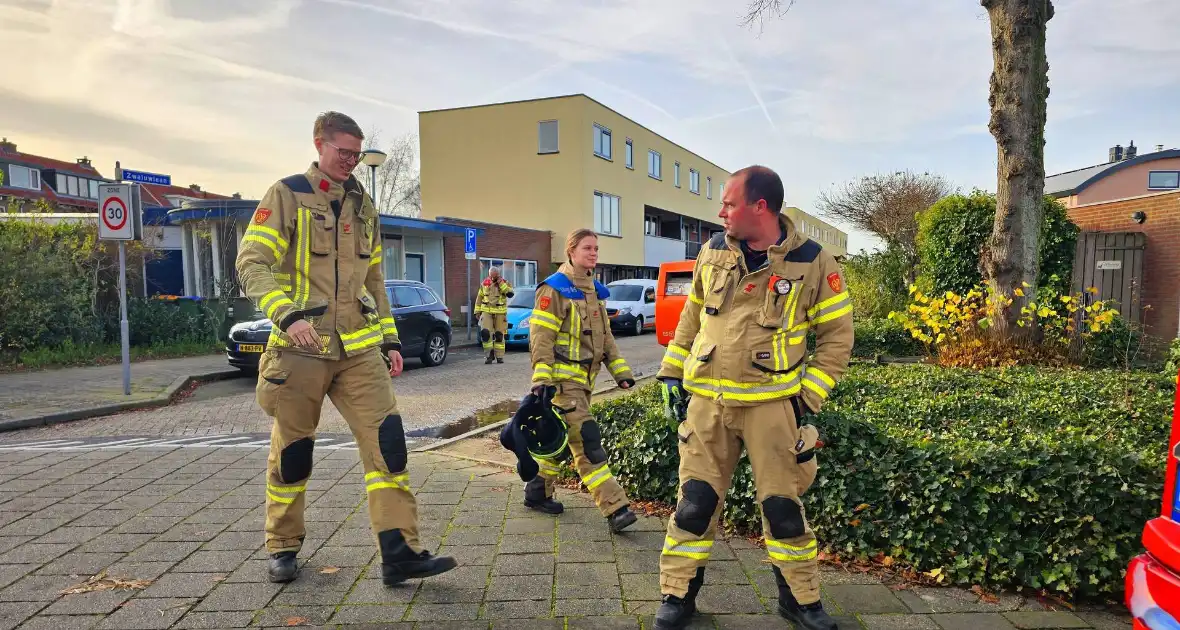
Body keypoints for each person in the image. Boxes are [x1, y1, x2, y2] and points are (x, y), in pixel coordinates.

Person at [235, 111, 456, 587]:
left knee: (389, 445)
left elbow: (374, 278)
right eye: (344, 153)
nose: (351, 163)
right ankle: (283, 544)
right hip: (300, 350)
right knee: (293, 452)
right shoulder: (287, 194)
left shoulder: (364, 205)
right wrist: (286, 315)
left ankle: (399, 551)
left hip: (359, 349)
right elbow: (252, 263)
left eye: (358, 155)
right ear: (319, 144)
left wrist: (392, 338)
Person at [652, 166, 853, 630]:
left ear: (759, 207)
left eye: (729, 203)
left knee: (783, 510)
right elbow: (693, 315)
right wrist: (670, 372)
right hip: (707, 404)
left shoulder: (813, 260)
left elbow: (838, 339)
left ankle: (800, 600)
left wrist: (807, 400)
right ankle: (677, 595)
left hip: (774, 407)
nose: (721, 211)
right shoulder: (712, 251)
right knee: (695, 503)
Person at [524, 228, 640, 532]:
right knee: (587, 440)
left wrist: (621, 372)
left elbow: (606, 340)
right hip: (562, 382)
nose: (594, 253)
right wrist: (542, 376)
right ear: (571, 251)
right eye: (588, 248)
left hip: (585, 382)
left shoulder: (594, 291)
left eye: (596, 248)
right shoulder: (555, 289)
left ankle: (537, 490)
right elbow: (541, 337)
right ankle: (616, 508)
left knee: (564, 441)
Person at [475, 266, 514, 364]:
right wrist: (477, 311)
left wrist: (500, 283)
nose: (492, 279)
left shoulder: (505, 282)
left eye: (494, 277)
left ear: (498, 274)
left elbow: (510, 294)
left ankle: (499, 356)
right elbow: (479, 298)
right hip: (486, 312)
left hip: (500, 313)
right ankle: (489, 355)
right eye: (491, 276)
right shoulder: (484, 283)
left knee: (499, 335)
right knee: (485, 333)